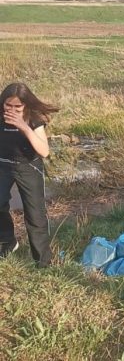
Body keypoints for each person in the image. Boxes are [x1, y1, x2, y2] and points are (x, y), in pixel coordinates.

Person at [0, 82, 58, 266]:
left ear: (25, 105)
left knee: (35, 215)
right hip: (3, 165)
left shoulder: (34, 118)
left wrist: (23, 127)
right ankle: (8, 241)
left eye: (18, 106)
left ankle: (42, 261)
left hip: (28, 167)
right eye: (8, 105)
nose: (12, 109)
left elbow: (44, 151)